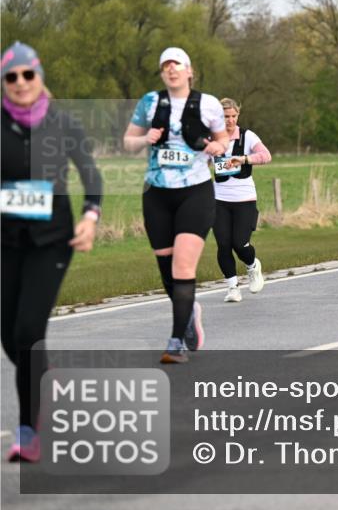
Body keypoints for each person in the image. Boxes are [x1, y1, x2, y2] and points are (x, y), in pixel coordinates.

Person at [2, 42, 103, 462]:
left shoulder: (62, 123)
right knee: (9, 333)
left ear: (40, 77)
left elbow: (90, 173)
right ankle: (42, 373)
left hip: (52, 240)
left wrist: (90, 215)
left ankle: (28, 431)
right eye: (11, 77)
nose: (21, 83)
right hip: (5, 241)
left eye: (28, 74)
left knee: (28, 331)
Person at [123, 47, 228, 364]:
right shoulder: (150, 102)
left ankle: (176, 341)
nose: (171, 70)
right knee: (168, 272)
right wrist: (146, 139)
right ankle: (190, 310)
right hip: (157, 194)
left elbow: (223, 143)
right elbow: (128, 142)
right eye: (165, 66)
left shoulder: (208, 104)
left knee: (183, 267)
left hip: (195, 193)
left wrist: (212, 146)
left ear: (189, 70)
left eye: (177, 65)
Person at [213, 98, 272, 301]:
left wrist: (245, 159)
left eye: (233, 116)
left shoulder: (247, 136)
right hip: (219, 198)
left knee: (240, 243)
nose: (229, 120)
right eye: (225, 116)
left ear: (237, 115)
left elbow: (266, 156)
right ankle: (232, 288)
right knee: (223, 244)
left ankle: (253, 266)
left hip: (244, 198)